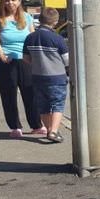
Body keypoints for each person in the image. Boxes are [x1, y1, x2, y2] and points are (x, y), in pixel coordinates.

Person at [0, 0, 44, 137]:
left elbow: (33, 38)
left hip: (25, 61)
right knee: (8, 95)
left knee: (30, 93)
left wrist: (36, 57)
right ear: (3, 2)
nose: (10, 3)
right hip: (5, 61)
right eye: (7, 0)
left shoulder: (27, 17)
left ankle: (36, 125)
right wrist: (1, 54)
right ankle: (15, 127)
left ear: (19, 1)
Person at [23, 8, 69, 143]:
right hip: (56, 77)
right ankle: (54, 132)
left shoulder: (30, 38)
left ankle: (49, 129)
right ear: (55, 22)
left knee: (42, 105)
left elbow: (26, 58)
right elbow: (67, 60)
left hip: (37, 77)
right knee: (57, 104)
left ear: (40, 20)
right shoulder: (57, 38)